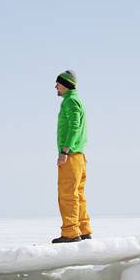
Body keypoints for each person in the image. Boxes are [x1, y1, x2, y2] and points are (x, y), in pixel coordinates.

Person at [51, 69, 91, 243]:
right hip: (79, 155)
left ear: (66, 85)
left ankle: (70, 233)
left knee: (67, 194)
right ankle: (83, 230)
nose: (56, 87)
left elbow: (74, 126)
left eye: (58, 84)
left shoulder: (70, 101)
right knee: (78, 194)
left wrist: (65, 151)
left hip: (71, 155)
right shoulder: (75, 100)